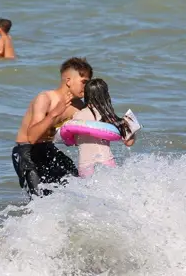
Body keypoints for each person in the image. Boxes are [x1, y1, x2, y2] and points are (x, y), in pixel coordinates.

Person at [12, 57, 92, 197]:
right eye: (84, 82)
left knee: (77, 185)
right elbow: (32, 137)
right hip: (26, 151)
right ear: (68, 80)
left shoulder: (79, 106)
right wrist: (54, 114)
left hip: (48, 149)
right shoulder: (45, 98)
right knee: (39, 200)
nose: (86, 87)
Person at [69, 78, 135, 178]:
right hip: (105, 163)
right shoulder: (108, 117)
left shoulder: (77, 116)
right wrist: (131, 127)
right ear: (106, 95)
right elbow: (129, 142)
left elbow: (72, 140)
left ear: (86, 95)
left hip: (84, 167)